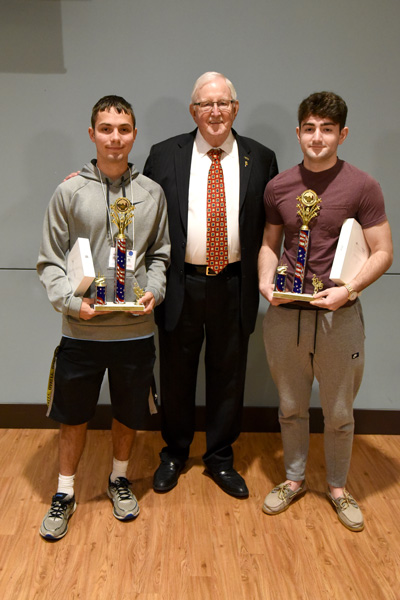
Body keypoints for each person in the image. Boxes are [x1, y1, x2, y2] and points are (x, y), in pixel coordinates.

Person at [258, 91, 393, 531]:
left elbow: (383, 252)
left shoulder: (363, 186)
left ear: (343, 134)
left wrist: (349, 288)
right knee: (291, 405)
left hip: (339, 314)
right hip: (286, 315)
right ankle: (294, 479)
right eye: (310, 128)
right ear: (299, 132)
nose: (318, 137)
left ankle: (337, 487)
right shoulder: (278, 186)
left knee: (338, 412)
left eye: (328, 129)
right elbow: (268, 243)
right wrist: (265, 283)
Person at [37, 95, 170, 540]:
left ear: (134, 134)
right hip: (83, 328)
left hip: (133, 329)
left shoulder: (151, 194)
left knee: (129, 411)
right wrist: (73, 304)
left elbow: (160, 257)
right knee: (73, 415)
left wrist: (153, 290)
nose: (116, 137)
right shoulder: (69, 191)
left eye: (124, 129)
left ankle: (118, 479)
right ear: (92, 133)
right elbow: (50, 262)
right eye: (106, 129)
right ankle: (65, 491)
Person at [143, 72, 278, 498]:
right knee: (177, 374)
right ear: (193, 111)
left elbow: (275, 218)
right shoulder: (164, 154)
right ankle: (175, 453)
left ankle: (220, 457)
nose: (215, 111)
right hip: (182, 283)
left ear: (236, 108)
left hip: (232, 284)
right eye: (206, 104)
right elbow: (137, 203)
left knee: (228, 375)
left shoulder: (261, 156)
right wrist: (87, 176)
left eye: (223, 103)